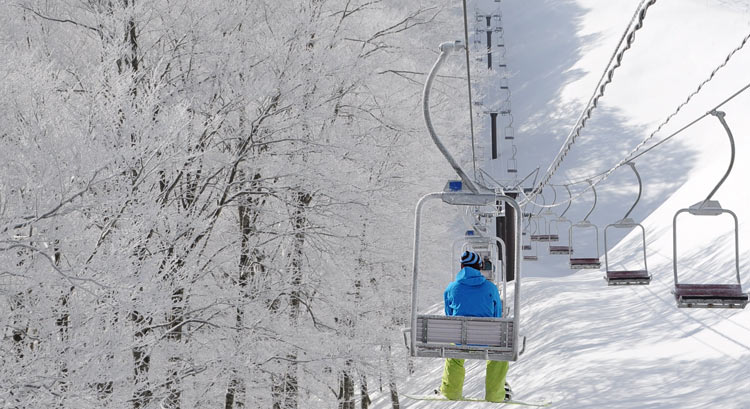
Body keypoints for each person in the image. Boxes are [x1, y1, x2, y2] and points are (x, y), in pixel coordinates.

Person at [440, 250, 511, 402]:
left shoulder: (451, 288)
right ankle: (495, 394)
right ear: (479, 267)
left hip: (460, 339)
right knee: (499, 356)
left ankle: (450, 391)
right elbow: (497, 315)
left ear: (462, 266)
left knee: (454, 354)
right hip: (488, 340)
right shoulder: (490, 288)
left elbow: (449, 315)